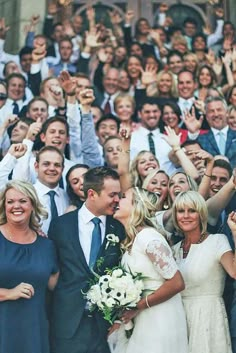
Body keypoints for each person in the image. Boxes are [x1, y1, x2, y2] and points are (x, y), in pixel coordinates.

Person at [48, 167, 125, 353]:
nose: (117, 200)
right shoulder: (61, 225)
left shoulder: (118, 228)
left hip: (105, 326)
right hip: (67, 322)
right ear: (92, 194)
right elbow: (52, 270)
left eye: (119, 195)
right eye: (112, 194)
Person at [110, 187, 188, 353]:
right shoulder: (132, 240)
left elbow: (177, 282)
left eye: (123, 197)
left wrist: (138, 306)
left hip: (160, 317)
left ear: (136, 205)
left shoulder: (149, 238)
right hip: (142, 317)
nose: (117, 200)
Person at [172, 190, 236, 353]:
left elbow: (234, 272)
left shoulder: (217, 241)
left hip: (209, 317)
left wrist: (235, 233)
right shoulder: (172, 250)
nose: (185, 216)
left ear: (201, 214)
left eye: (192, 210)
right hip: (178, 319)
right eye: (181, 211)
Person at [0, 180, 59, 353]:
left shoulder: (46, 246)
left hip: (34, 331)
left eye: (22, 201)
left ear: (32, 205)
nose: (16, 206)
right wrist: (9, 293)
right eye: (10, 202)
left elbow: (54, 285)